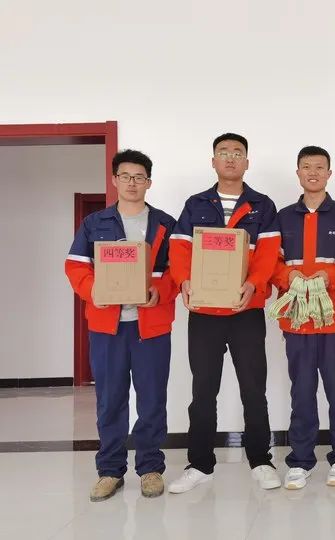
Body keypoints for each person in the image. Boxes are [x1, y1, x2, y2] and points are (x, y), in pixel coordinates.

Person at [167, 133, 282, 493]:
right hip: (204, 311)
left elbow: (269, 252)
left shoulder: (262, 205)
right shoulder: (196, 204)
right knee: (203, 390)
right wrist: (184, 280)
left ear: (247, 162)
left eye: (237, 153)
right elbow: (179, 248)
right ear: (213, 161)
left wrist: (255, 283)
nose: (230, 158)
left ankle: (261, 461)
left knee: (254, 388)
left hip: (246, 310)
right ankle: (200, 464)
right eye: (223, 152)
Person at [65, 149, 177, 501]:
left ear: (149, 182)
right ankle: (110, 471)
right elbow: (75, 265)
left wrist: (159, 292)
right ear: (115, 180)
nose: (132, 183)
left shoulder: (165, 223)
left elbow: (179, 271)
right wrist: (92, 290)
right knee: (110, 399)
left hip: (151, 327)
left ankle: (150, 468)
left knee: (152, 399)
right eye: (125, 176)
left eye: (139, 177)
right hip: (107, 328)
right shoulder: (94, 223)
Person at [271, 145, 335, 489]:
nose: (313, 172)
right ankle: (301, 460)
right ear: (298, 173)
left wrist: (329, 276)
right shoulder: (281, 217)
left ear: (329, 174)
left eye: (320, 167)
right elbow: (271, 262)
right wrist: (287, 276)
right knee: (302, 390)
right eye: (306, 166)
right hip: (296, 319)